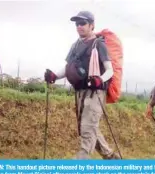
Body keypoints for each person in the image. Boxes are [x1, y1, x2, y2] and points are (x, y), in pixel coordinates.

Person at [44, 11, 120, 159]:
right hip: (79, 91)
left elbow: (110, 70)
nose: (79, 26)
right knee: (88, 127)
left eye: (83, 23)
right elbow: (69, 68)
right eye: (77, 24)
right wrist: (54, 76)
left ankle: (80, 161)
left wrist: (100, 80)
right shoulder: (75, 45)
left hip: (95, 93)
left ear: (92, 25)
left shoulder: (99, 44)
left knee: (87, 129)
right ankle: (111, 157)